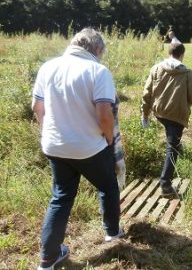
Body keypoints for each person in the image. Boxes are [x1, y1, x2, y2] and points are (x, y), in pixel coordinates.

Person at [32, 28, 123, 270]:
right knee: (107, 186)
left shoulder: (48, 67)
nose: (101, 56)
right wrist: (109, 139)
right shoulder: (98, 71)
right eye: (101, 52)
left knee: (61, 197)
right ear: (95, 49)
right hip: (89, 147)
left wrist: (51, 132)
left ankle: (48, 258)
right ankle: (112, 232)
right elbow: (104, 113)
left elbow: (36, 107)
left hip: (54, 146)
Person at [141, 43, 192, 196]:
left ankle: (165, 172)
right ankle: (165, 185)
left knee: (172, 141)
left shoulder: (156, 69)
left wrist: (145, 114)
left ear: (169, 52)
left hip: (159, 113)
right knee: (172, 148)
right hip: (176, 115)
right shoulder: (188, 73)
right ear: (182, 55)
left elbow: (147, 94)